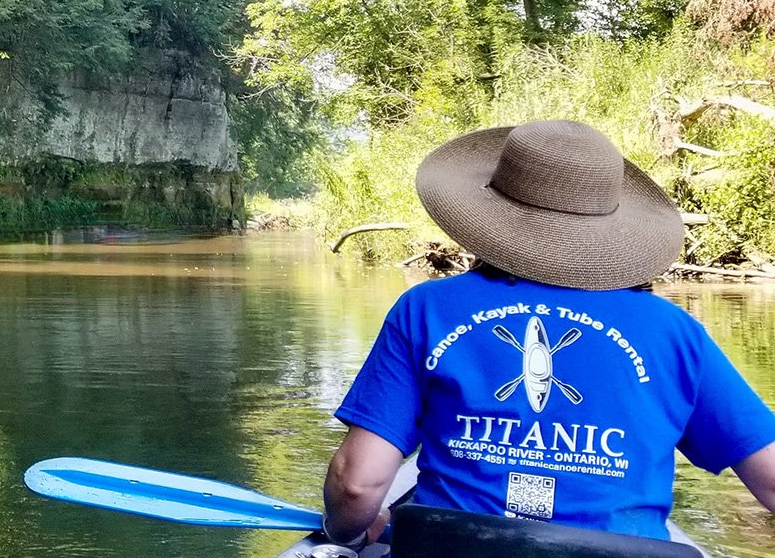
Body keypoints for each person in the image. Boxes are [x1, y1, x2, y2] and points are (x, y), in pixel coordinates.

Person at [321, 120, 775, 549]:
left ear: (485, 217)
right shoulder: (676, 333)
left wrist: (349, 535)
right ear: (614, 232)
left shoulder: (426, 310)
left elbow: (357, 484)